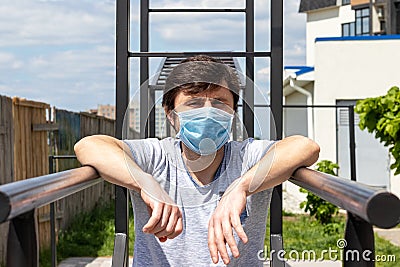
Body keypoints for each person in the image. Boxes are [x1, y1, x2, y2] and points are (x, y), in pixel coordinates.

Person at [74, 55, 320, 266]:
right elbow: (89, 146)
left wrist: (241, 186)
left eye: (219, 102)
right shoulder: (157, 156)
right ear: (171, 115)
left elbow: (305, 147)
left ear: (233, 112)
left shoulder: (247, 157)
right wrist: (144, 182)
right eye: (193, 103)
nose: (208, 111)